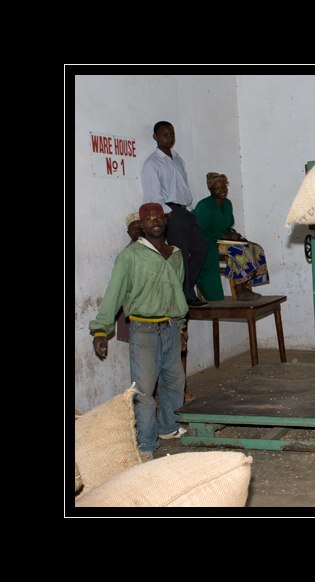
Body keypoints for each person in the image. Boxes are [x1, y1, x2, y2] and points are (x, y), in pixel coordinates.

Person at [89, 203, 189, 461]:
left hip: (169, 328)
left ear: (164, 221)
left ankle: (168, 428)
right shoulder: (130, 256)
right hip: (144, 330)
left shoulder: (175, 254)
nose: (154, 221)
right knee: (144, 391)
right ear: (141, 226)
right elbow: (114, 293)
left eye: (158, 217)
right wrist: (101, 330)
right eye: (148, 218)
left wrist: (181, 327)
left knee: (174, 383)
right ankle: (145, 445)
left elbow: (177, 293)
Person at [141, 121, 208, 307]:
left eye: (171, 134)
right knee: (182, 253)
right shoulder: (152, 163)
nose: (169, 138)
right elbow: (152, 195)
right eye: (164, 135)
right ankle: (188, 296)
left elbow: (183, 188)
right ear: (155, 137)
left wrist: (190, 208)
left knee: (201, 249)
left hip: (185, 210)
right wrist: (167, 213)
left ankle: (182, 288)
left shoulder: (178, 159)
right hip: (170, 212)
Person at [194, 172, 270, 301]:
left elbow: (227, 225)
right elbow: (199, 231)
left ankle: (244, 286)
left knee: (255, 247)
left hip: (224, 240)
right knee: (238, 250)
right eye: (217, 188)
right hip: (209, 242)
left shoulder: (227, 204)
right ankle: (239, 291)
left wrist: (233, 234)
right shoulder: (204, 206)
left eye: (224, 187)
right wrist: (224, 235)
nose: (222, 190)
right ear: (211, 189)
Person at [113, 212, 145, 343]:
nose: (137, 230)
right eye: (133, 228)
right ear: (128, 233)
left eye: (139, 226)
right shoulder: (126, 254)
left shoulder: (158, 248)